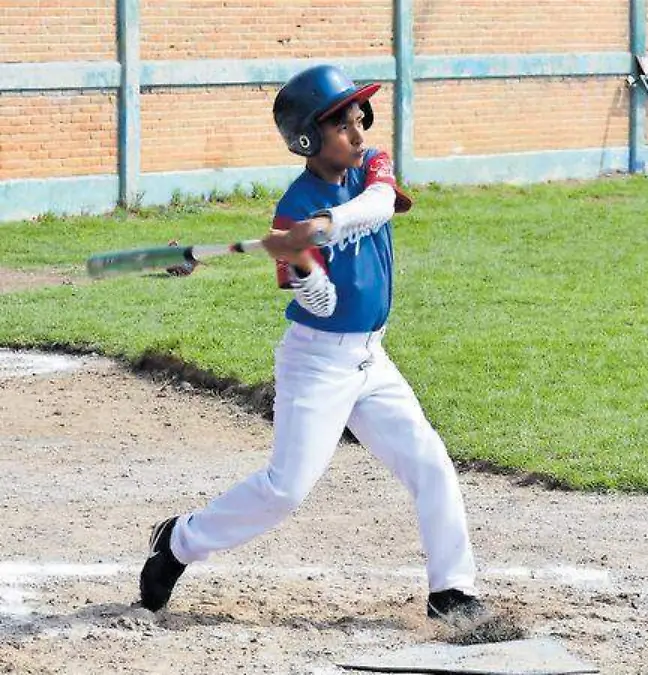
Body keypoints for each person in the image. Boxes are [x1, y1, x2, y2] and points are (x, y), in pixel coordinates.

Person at [137, 64, 486, 624]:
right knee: (285, 490)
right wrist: (300, 262)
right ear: (307, 138)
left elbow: (380, 203)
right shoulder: (292, 211)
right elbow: (321, 304)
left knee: (430, 463)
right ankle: (179, 541)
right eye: (341, 125)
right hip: (318, 363)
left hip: (372, 359)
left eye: (358, 119)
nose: (357, 133)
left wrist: (326, 225)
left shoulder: (368, 167)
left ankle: (452, 591)